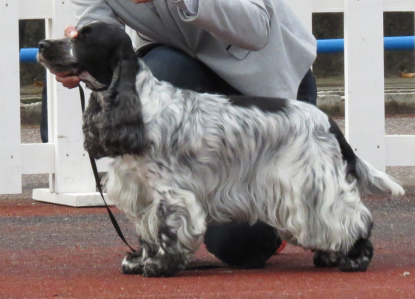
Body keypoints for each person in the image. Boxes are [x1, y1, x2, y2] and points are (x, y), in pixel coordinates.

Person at [56, 0, 317, 269]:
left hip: (266, 86)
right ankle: (165, 230)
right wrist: (81, 62)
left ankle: (276, 215)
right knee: (160, 69)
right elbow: (106, 41)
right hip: (185, 77)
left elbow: (257, 29)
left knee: (241, 247)